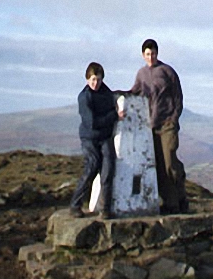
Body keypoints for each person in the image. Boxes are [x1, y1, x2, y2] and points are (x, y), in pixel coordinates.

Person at [130, 39, 188, 214]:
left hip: (167, 124)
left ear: (157, 53)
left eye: (153, 53)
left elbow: (178, 96)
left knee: (170, 161)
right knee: (160, 166)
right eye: (147, 54)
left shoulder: (167, 71)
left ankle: (181, 198)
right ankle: (170, 204)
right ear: (143, 55)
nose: (151, 57)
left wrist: (174, 117)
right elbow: (134, 92)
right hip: (151, 126)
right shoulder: (141, 74)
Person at [70, 62, 122, 219]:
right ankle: (75, 205)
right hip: (90, 138)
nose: (95, 83)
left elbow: (115, 98)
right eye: (93, 79)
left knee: (108, 169)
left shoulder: (106, 93)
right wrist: (114, 116)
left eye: (98, 79)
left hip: (105, 137)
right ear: (87, 79)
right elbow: (92, 123)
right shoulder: (84, 97)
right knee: (92, 167)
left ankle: (106, 209)